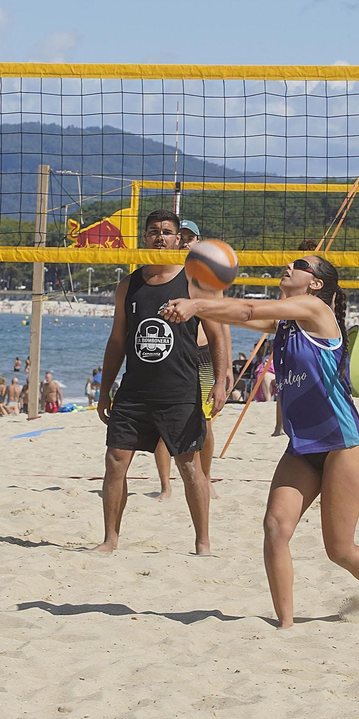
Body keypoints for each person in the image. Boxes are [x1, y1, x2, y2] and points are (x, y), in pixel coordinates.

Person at [161, 254, 359, 627]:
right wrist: (197, 292)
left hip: (341, 443)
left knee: (339, 549)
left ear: (316, 284)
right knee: (275, 528)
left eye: (300, 264)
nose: (290, 266)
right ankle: (287, 625)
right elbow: (236, 315)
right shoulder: (285, 323)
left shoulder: (314, 309)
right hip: (302, 446)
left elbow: (247, 309)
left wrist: (197, 302)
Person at [92, 210, 227, 555]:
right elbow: (117, 341)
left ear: (179, 239)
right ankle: (110, 540)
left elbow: (216, 336)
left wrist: (221, 381)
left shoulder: (194, 283)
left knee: (189, 467)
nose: (160, 237)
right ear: (145, 237)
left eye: (167, 232)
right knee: (115, 461)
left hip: (179, 390)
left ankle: (203, 542)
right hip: (134, 391)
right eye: (154, 232)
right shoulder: (130, 284)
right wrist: (105, 388)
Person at [156, 218, 231, 500]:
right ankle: (165, 485)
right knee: (163, 422)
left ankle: (206, 477)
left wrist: (226, 372)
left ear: (198, 241)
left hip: (202, 354)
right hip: (171, 351)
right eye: (182, 236)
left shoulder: (208, 275)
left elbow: (222, 322)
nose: (185, 241)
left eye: (191, 236)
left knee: (205, 422)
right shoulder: (161, 270)